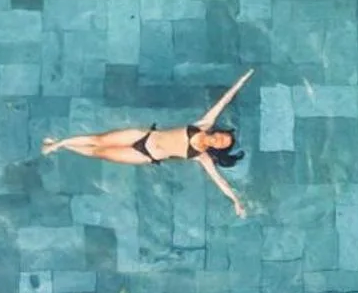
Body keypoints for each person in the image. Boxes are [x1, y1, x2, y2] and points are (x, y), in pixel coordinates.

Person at [42, 70, 254, 217]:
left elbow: (220, 181)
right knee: (98, 139)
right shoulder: (204, 124)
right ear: (218, 132)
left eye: (221, 144)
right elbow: (224, 101)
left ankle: (62, 144)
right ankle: (57, 144)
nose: (218, 140)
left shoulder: (201, 156)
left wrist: (236, 202)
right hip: (142, 136)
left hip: (145, 156)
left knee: (100, 152)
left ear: (218, 149)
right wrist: (242, 81)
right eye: (222, 137)